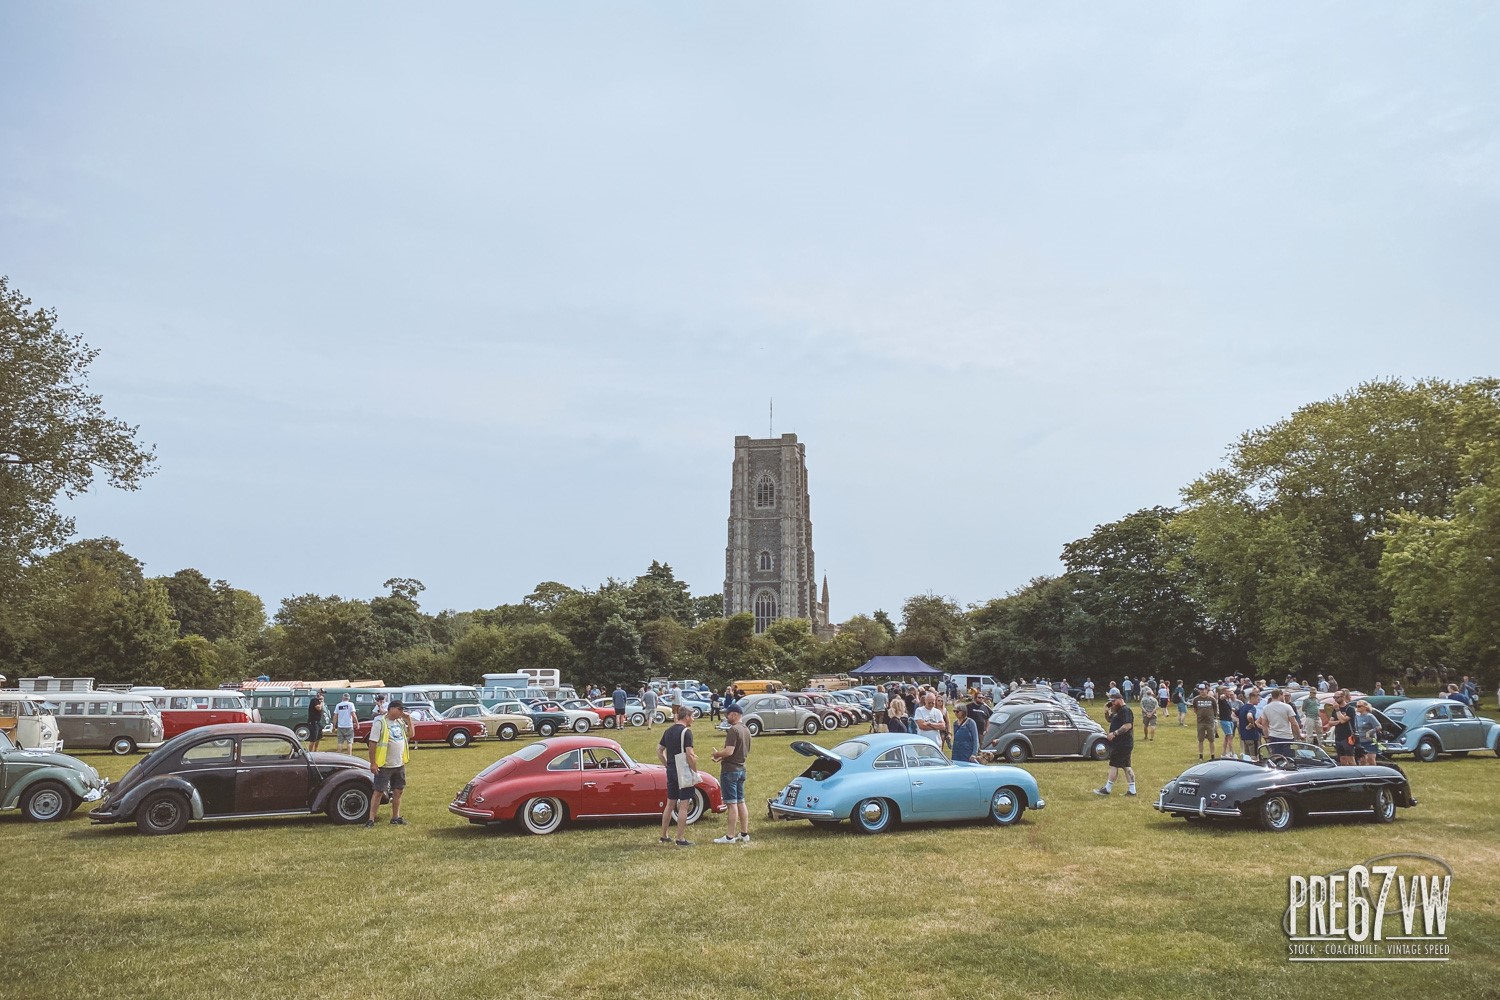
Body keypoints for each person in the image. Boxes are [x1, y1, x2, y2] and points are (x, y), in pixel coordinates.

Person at [366, 699, 412, 828]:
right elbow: (372, 743)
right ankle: (371, 819)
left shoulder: (400, 722)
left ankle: (395, 817)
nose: (402, 712)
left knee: (398, 790)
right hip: (384, 765)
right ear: (392, 709)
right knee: (379, 792)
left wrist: (409, 720)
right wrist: (373, 763)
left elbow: (411, 734)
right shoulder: (380, 723)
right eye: (400, 710)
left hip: (399, 763)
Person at [711, 702, 751, 844]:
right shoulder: (746, 729)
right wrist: (722, 757)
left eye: (727, 714)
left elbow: (729, 751)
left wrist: (717, 755)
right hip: (741, 769)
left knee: (732, 804)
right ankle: (744, 834)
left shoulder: (733, 730)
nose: (726, 716)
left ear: (734, 714)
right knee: (741, 801)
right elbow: (741, 750)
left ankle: (729, 837)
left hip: (730, 771)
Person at [657, 706, 697, 847]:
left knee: (670, 803)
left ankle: (664, 835)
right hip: (682, 770)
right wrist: (694, 770)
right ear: (686, 716)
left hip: (671, 769)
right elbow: (690, 754)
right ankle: (680, 838)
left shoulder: (668, 731)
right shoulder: (686, 732)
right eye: (692, 716)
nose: (693, 719)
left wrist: (667, 764)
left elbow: (659, 750)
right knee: (684, 805)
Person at [1093, 693, 1136, 797]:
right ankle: (1132, 790)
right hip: (1120, 743)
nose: (1112, 703)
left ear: (1120, 700)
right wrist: (1106, 711)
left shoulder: (1126, 710)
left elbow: (1127, 725)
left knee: (1113, 765)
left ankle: (1107, 789)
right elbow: (1109, 720)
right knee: (1126, 766)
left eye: (1113, 701)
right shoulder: (1117, 711)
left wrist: (1114, 733)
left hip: (1123, 743)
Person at [1259, 688, 1302, 758]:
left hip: (1273, 736)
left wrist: (1267, 736)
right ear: (1280, 695)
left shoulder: (1266, 708)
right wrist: (1299, 734)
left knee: (1276, 758)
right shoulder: (1287, 707)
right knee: (1289, 758)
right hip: (1286, 736)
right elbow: (1294, 723)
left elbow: (1264, 725)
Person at [1330, 691, 1358, 765]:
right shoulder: (1334, 710)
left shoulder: (1350, 709)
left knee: (1350, 758)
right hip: (1338, 736)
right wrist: (1339, 720)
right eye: (1334, 697)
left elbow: (1343, 721)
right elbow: (1330, 722)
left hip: (1348, 736)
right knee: (1342, 758)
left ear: (1343, 697)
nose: (1335, 699)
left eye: (1337, 697)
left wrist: (1338, 710)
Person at [1192, 684, 1219, 760]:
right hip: (1200, 722)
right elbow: (1195, 709)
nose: (1202, 691)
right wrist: (1199, 715)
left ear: (1207, 690)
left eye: (1203, 689)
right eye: (1200, 690)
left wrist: (1212, 716)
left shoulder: (1212, 699)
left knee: (1211, 739)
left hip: (1210, 722)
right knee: (1200, 739)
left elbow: (1215, 709)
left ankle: (1212, 755)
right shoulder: (1196, 699)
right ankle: (1201, 755)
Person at [1236, 689, 1262, 760]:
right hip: (1252, 736)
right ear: (1252, 698)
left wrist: (1239, 721)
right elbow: (1249, 716)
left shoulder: (1243, 707)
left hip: (1244, 736)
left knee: (1247, 757)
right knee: (1255, 757)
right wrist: (1252, 723)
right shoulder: (1252, 708)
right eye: (1258, 699)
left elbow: (1233, 714)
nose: (1259, 701)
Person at [1353, 700, 1381, 766]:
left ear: (1365, 707)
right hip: (1360, 741)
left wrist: (1369, 732)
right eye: (1356, 706)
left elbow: (1378, 726)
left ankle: (1374, 772)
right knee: (1362, 760)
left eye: (1359, 706)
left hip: (1369, 741)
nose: (1357, 708)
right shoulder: (1356, 717)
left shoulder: (1369, 716)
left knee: (1370, 759)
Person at [1217, 687, 1236, 758]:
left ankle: (1224, 753)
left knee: (1226, 737)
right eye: (1228, 691)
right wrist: (1223, 695)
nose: (1230, 693)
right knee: (1230, 736)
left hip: (1229, 720)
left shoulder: (1227, 700)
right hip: (1225, 721)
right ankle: (1232, 753)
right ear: (1224, 692)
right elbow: (1221, 697)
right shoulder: (1222, 698)